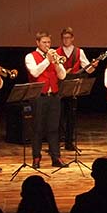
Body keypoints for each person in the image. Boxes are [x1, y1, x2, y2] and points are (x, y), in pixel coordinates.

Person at [25, 31, 68, 168]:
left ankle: (56, 158)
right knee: (38, 128)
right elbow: (35, 72)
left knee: (54, 128)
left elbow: (62, 76)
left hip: (54, 96)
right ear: (37, 43)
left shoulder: (54, 56)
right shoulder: (30, 57)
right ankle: (36, 158)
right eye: (44, 42)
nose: (47, 45)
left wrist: (56, 63)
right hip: (38, 97)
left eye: (49, 42)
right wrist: (47, 60)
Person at [55, 27, 98, 151]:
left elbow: (88, 69)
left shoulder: (79, 52)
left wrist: (93, 66)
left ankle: (69, 142)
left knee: (71, 116)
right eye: (64, 38)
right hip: (59, 87)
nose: (66, 40)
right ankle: (58, 141)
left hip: (73, 88)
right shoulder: (56, 52)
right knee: (58, 116)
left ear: (72, 38)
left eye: (68, 38)